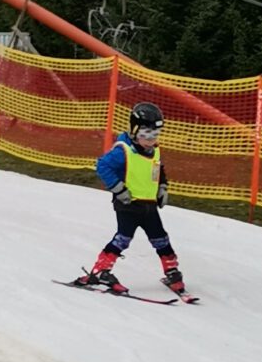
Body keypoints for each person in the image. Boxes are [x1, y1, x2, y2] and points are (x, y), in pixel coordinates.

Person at [75, 102, 185, 295]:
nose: (150, 139)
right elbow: (102, 166)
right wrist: (119, 189)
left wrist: (162, 188)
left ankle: (172, 272)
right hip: (128, 204)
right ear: (134, 131)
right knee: (123, 238)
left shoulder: (154, 150)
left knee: (160, 238)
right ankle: (100, 272)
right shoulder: (123, 150)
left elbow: (158, 169)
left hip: (149, 205)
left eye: (155, 134)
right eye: (145, 134)